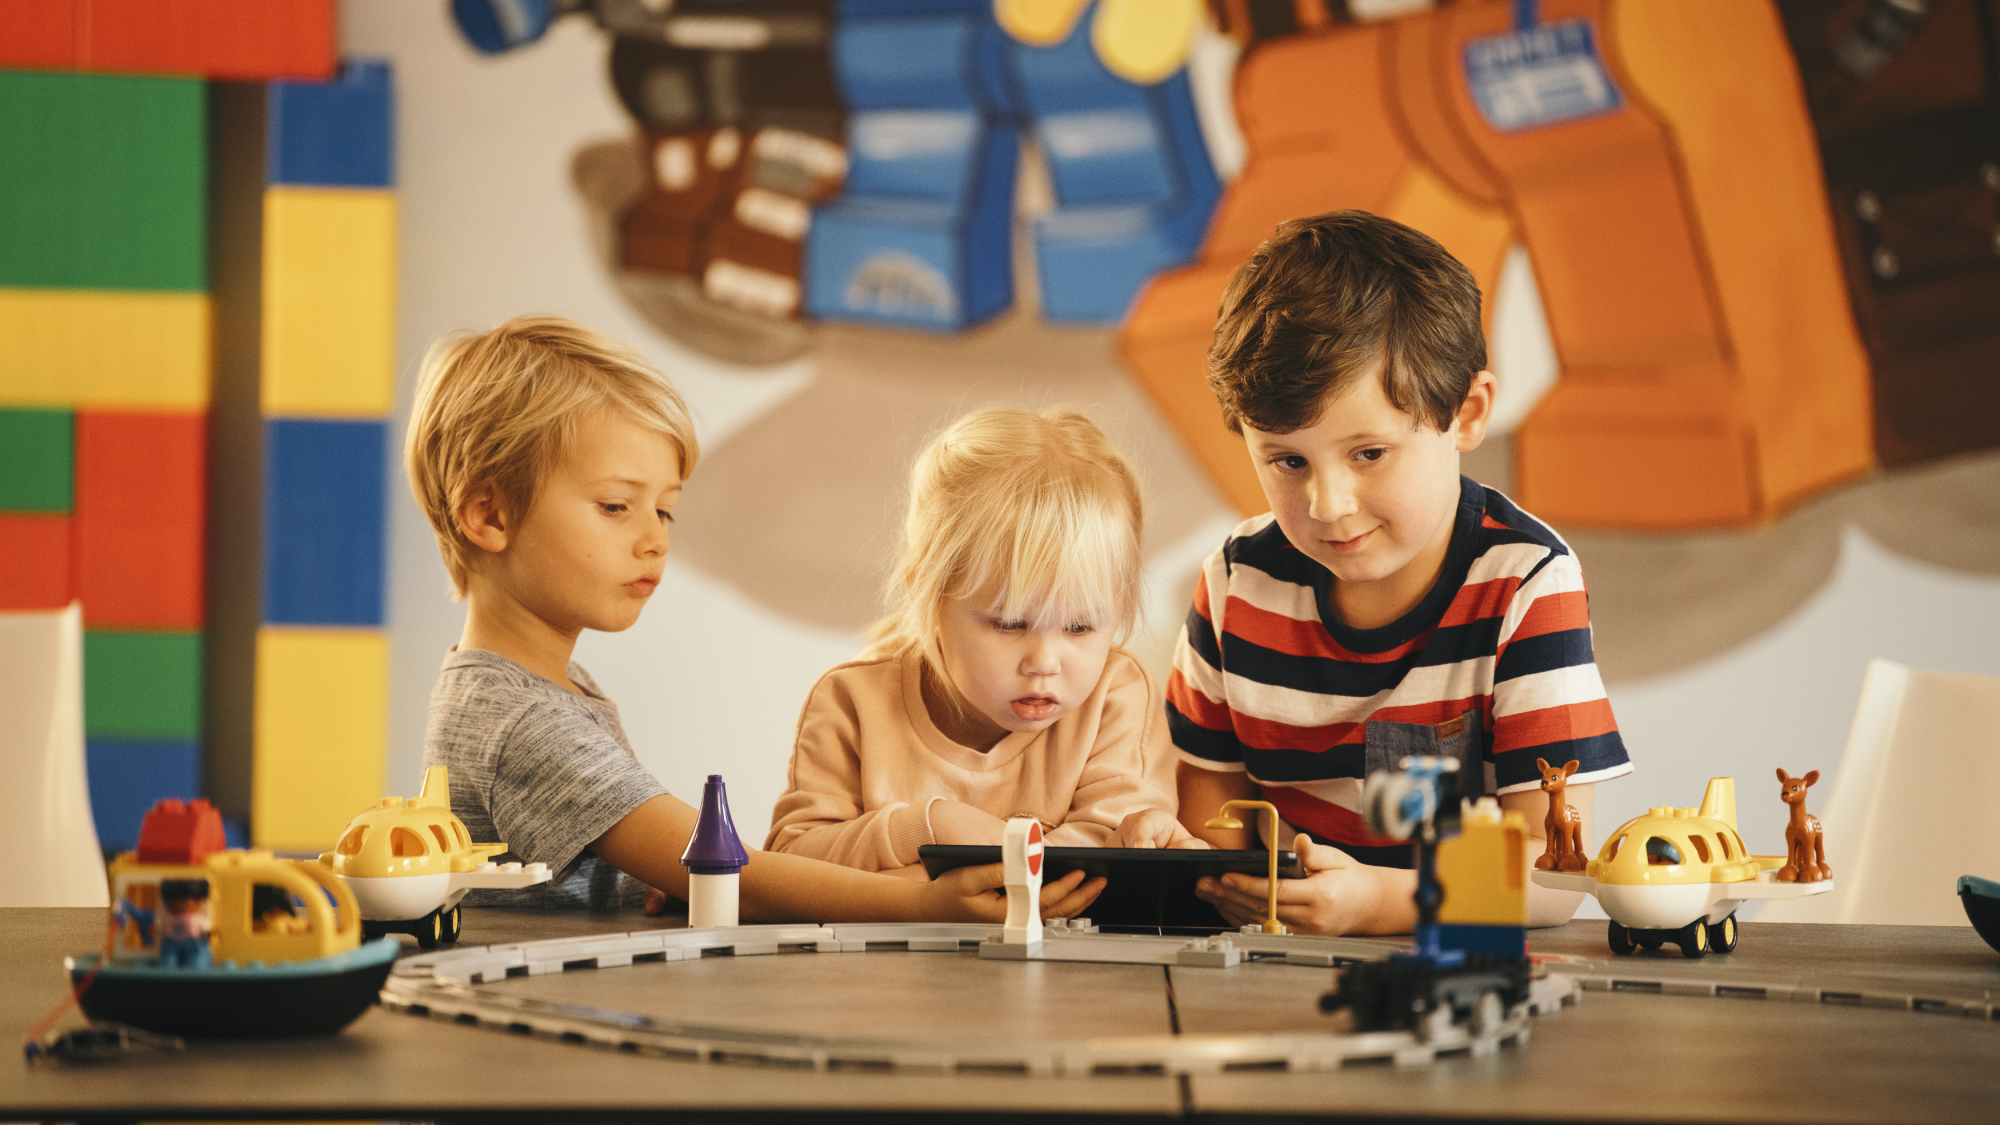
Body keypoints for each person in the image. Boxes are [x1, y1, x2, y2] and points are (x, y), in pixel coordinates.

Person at [407, 315, 1103, 920]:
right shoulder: (525, 720)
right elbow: (715, 862)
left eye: (665, 508)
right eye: (617, 506)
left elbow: (660, 865)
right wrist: (916, 903)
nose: (654, 538)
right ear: (490, 515)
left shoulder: (538, 689)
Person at [1171, 211, 1632, 934]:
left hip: (1455, 969)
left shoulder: (1525, 584)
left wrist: (1382, 901)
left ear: (1467, 414)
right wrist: (1227, 883)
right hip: (1273, 966)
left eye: (1368, 454)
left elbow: (1553, 869)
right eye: (1288, 461)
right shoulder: (1234, 583)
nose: (1328, 504)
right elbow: (1208, 808)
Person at [766, 407, 1203, 875]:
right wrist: (927, 828)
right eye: (1010, 624)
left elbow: (1111, 849)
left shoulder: (1113, 698)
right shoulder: (851, 703)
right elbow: (793, 861)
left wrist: (954, 873)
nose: (1044, 662)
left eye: (1080, 628)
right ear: (928, 596)